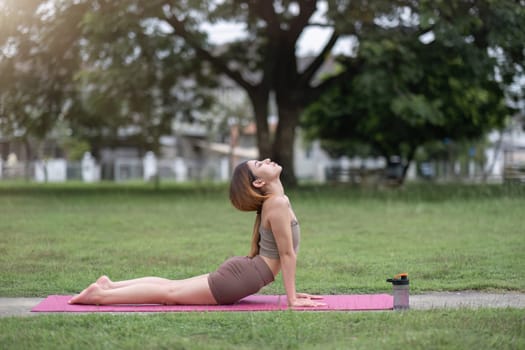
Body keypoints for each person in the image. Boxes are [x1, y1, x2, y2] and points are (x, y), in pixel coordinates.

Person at [69, 159, 325, 308]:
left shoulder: (278, 202)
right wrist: (292, 298)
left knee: (171, 288)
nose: (267, 160)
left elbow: (285, 254)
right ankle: (102, 295)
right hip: (241, 277)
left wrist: (293, 293)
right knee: (169, 294)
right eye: (260, 163)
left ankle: (110, 285)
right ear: (258, 182)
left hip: (244, 273)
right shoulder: (278, 204)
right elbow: (287, 254)